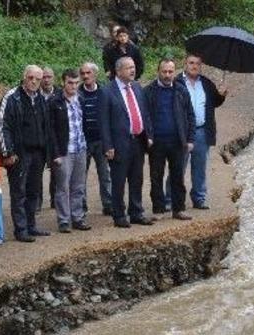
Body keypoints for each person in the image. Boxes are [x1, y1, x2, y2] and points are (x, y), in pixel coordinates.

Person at [0, 64, 54, 242]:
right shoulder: (12, 97)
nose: (34, 82)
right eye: (31, 78)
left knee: (33, 191)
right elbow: (2, 125)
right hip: (19, 153)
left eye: (38, 79)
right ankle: (21, 229)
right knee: (18, 192)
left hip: (38, 152)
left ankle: (31, 225)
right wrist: (7, 152)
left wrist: (48, 153)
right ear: (24, 77)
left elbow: (47, 126)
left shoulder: (41, 98)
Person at [99, 56, 154, 228]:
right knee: (119, 180)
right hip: (119, 143)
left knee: (137, 179)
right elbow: (103, 121)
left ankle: (136, 212)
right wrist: (108, 145)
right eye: (129, 67)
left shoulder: (136, 87)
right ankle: (119, 215)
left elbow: (144, 113)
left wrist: (149, 134)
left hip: (138, 141)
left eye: (133, 67)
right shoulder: (107, 91)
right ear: (118, 71)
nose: (133, 70)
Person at [144, 58, 195, 220]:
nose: (167, 75)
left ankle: (178, 209)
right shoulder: (149, 91)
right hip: (156, 142)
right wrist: (148, 136)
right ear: (158, 71)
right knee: (156, 177)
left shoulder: (181, 90)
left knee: (178, 176)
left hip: (177, 141)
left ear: (174, 72)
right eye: (164, 71)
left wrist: (190, 139)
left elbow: (190, 115)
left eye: (170, 72)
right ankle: (158, 210)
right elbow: (145, 116)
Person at [176, 53, 227, 209]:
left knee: (200, 168)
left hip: (201, 131)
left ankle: (199, 199)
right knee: (178, 167)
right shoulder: (176, 82)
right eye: (191, 63)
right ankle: (171, 199)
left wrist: (221, 95)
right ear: (185, 64)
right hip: (182, 133)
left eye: (198, 63)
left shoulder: (206, 83)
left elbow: (214, 102)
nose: (194, 66)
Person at [49, 69, 91, 233]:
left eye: (76, 83)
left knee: (79, 186)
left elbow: (84, 124)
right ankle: (64, 220)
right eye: (70, 83)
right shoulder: (55, 102)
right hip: (64, 150)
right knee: (62, 187)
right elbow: (51, 130)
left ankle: (77, 217)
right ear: (63, 83)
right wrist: (55, 153)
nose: (73, 86)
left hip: (80, 147)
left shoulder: (81, 99)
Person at [78, 62, 112, 216]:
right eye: (83, 73)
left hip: (101, 140)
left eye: (88, 73)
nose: (85, 76)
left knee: (105, 175)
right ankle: (81, 207)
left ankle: (108, 204)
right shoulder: (77, 94)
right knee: (80, 177)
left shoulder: (104, 92)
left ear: (95, 74)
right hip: (83, 141)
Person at [40, 66, 62, 210]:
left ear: (54, 78)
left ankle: (55, 199)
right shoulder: (35, 95)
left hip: (55, 137)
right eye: (44, 77)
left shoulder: (60, 94)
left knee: (56, 170)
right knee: (36, 172)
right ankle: (37, 201)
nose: (46, 80)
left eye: (49, 77)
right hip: (39, 137)